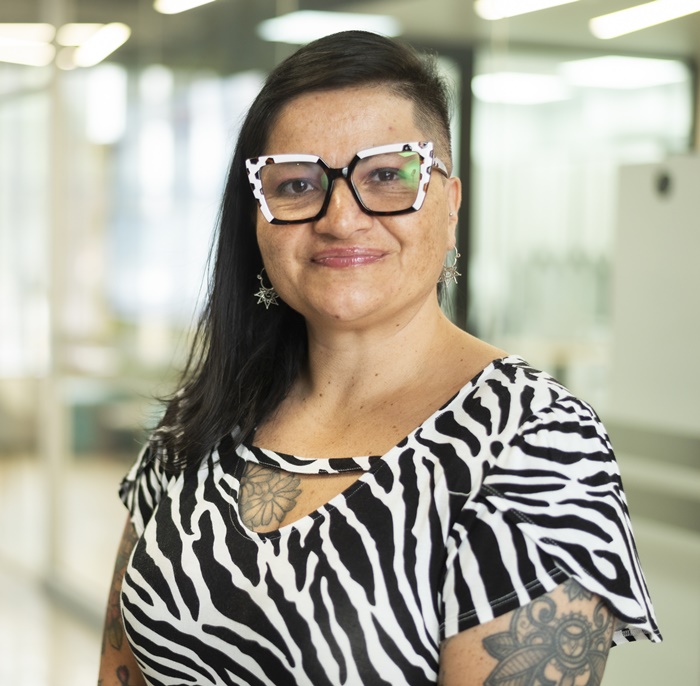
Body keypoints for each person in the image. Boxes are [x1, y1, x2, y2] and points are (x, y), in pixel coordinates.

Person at [98, 30, 661, 686]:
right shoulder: (202, 416)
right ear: (257, 218)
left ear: (450, 206)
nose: (340, 218)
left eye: (388, 176)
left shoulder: (535, 443)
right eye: (297, 183)